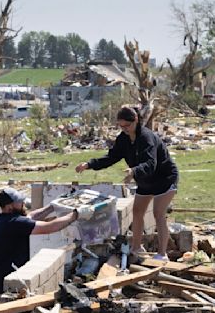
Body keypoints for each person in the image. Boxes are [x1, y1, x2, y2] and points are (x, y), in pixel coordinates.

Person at [75, 106, 179, 261]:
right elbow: (111, 157)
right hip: (145, 181)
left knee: (158, 214)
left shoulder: (146, 137)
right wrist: (89, 164)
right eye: (121, 126)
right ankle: (137, 248)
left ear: (135, 120)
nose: (124, 129)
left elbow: (151, 163)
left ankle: (162, 254)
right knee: (137, 213)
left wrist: (134, 171)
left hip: (164, 179)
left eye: (127, 126)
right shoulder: (123, 139)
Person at [0, 187, 92, 302]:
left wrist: (52, 206)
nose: (23, 204)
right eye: (19, 202)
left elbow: (31, 217)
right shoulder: (14, 223)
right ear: (9, 206)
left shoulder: (3, 220)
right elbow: (50, 227)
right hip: (4, 288)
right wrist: (75, 215)